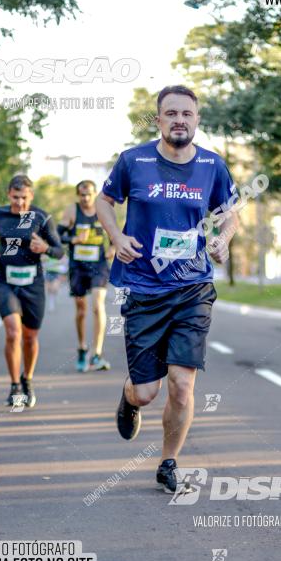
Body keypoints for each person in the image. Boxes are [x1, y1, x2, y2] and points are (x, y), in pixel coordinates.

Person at [95, 85, 238, 493]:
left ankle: (168, 462)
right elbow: (105, 202)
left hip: (193, 287)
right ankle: (129, 396)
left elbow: (230, 213)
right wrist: (116, 238)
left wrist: (223, 239)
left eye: (187, 114)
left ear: (196, 119)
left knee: (181, 383)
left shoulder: (212, 166)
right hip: (143, 287)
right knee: (146, 391)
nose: (179, 120)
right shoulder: (133, 161)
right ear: (158, 119)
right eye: (171, 113)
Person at [0, 175, 63, 408]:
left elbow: (60, 251)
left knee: (30, 338)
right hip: (6, 282)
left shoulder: (41, 217)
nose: (20, 202)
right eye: (15, 197)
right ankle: (14, 385)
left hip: (33, 283)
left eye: (24, 198)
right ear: (9, 194)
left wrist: (46, 248)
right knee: (13, 332)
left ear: (31, 196)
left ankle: (27, 379)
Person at [58, 180, 113, 371]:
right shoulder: (72, 211)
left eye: (89, 194)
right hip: (78, 267)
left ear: (95, 193)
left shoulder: (103, 209)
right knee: (81, 310)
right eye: (82, 194)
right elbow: (57, 235)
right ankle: (82, 347)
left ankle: (97, 354)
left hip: (98, 265)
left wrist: (113, 247)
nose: (86, 198)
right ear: (78, 195)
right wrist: (73, 238)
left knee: (98, 305)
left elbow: (114, 234)